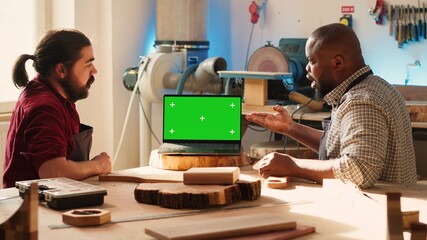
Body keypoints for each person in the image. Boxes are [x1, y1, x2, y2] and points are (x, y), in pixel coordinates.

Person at [246, 23, 417, 189]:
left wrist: (293, 165)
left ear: (337, 63)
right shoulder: (375, 86)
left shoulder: (361, 101)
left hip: (377, 212)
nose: (306, 69)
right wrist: (290, 128)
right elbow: (341, 145)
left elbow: (358, 170)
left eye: (312, 61)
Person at [3, 29, 112, 188]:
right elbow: (53, 172)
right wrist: (97, 166)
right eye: (88, 64)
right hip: (33, 207)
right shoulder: (45, 108)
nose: (94, 71)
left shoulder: (54, 93)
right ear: (61, 70)